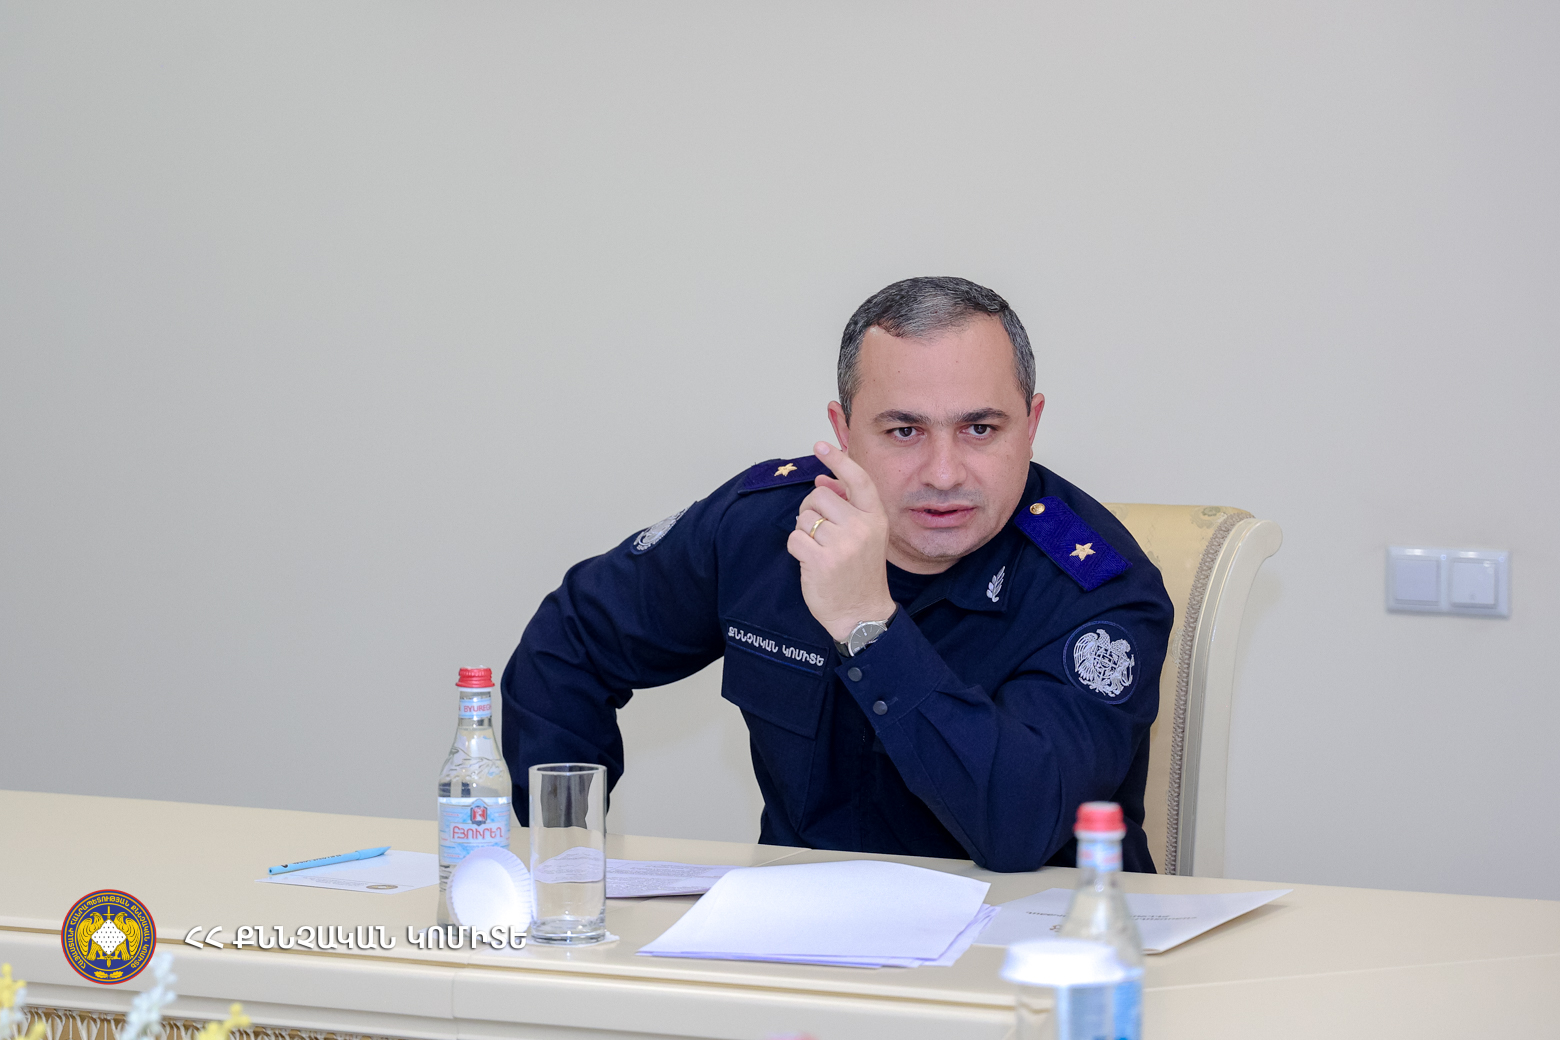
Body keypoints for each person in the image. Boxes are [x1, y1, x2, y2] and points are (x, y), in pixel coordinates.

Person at [500, 277, 1174, 872]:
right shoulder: (762, 527)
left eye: (979, 429)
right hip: (799, 939)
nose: (944, 473)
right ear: (844, 431)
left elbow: (1019, 826)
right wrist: (565, 853)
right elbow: (572, 641)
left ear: (1031, 425)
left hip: (1028, 946)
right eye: (904, 431)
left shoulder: (1100, 589)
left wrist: (867, 626)